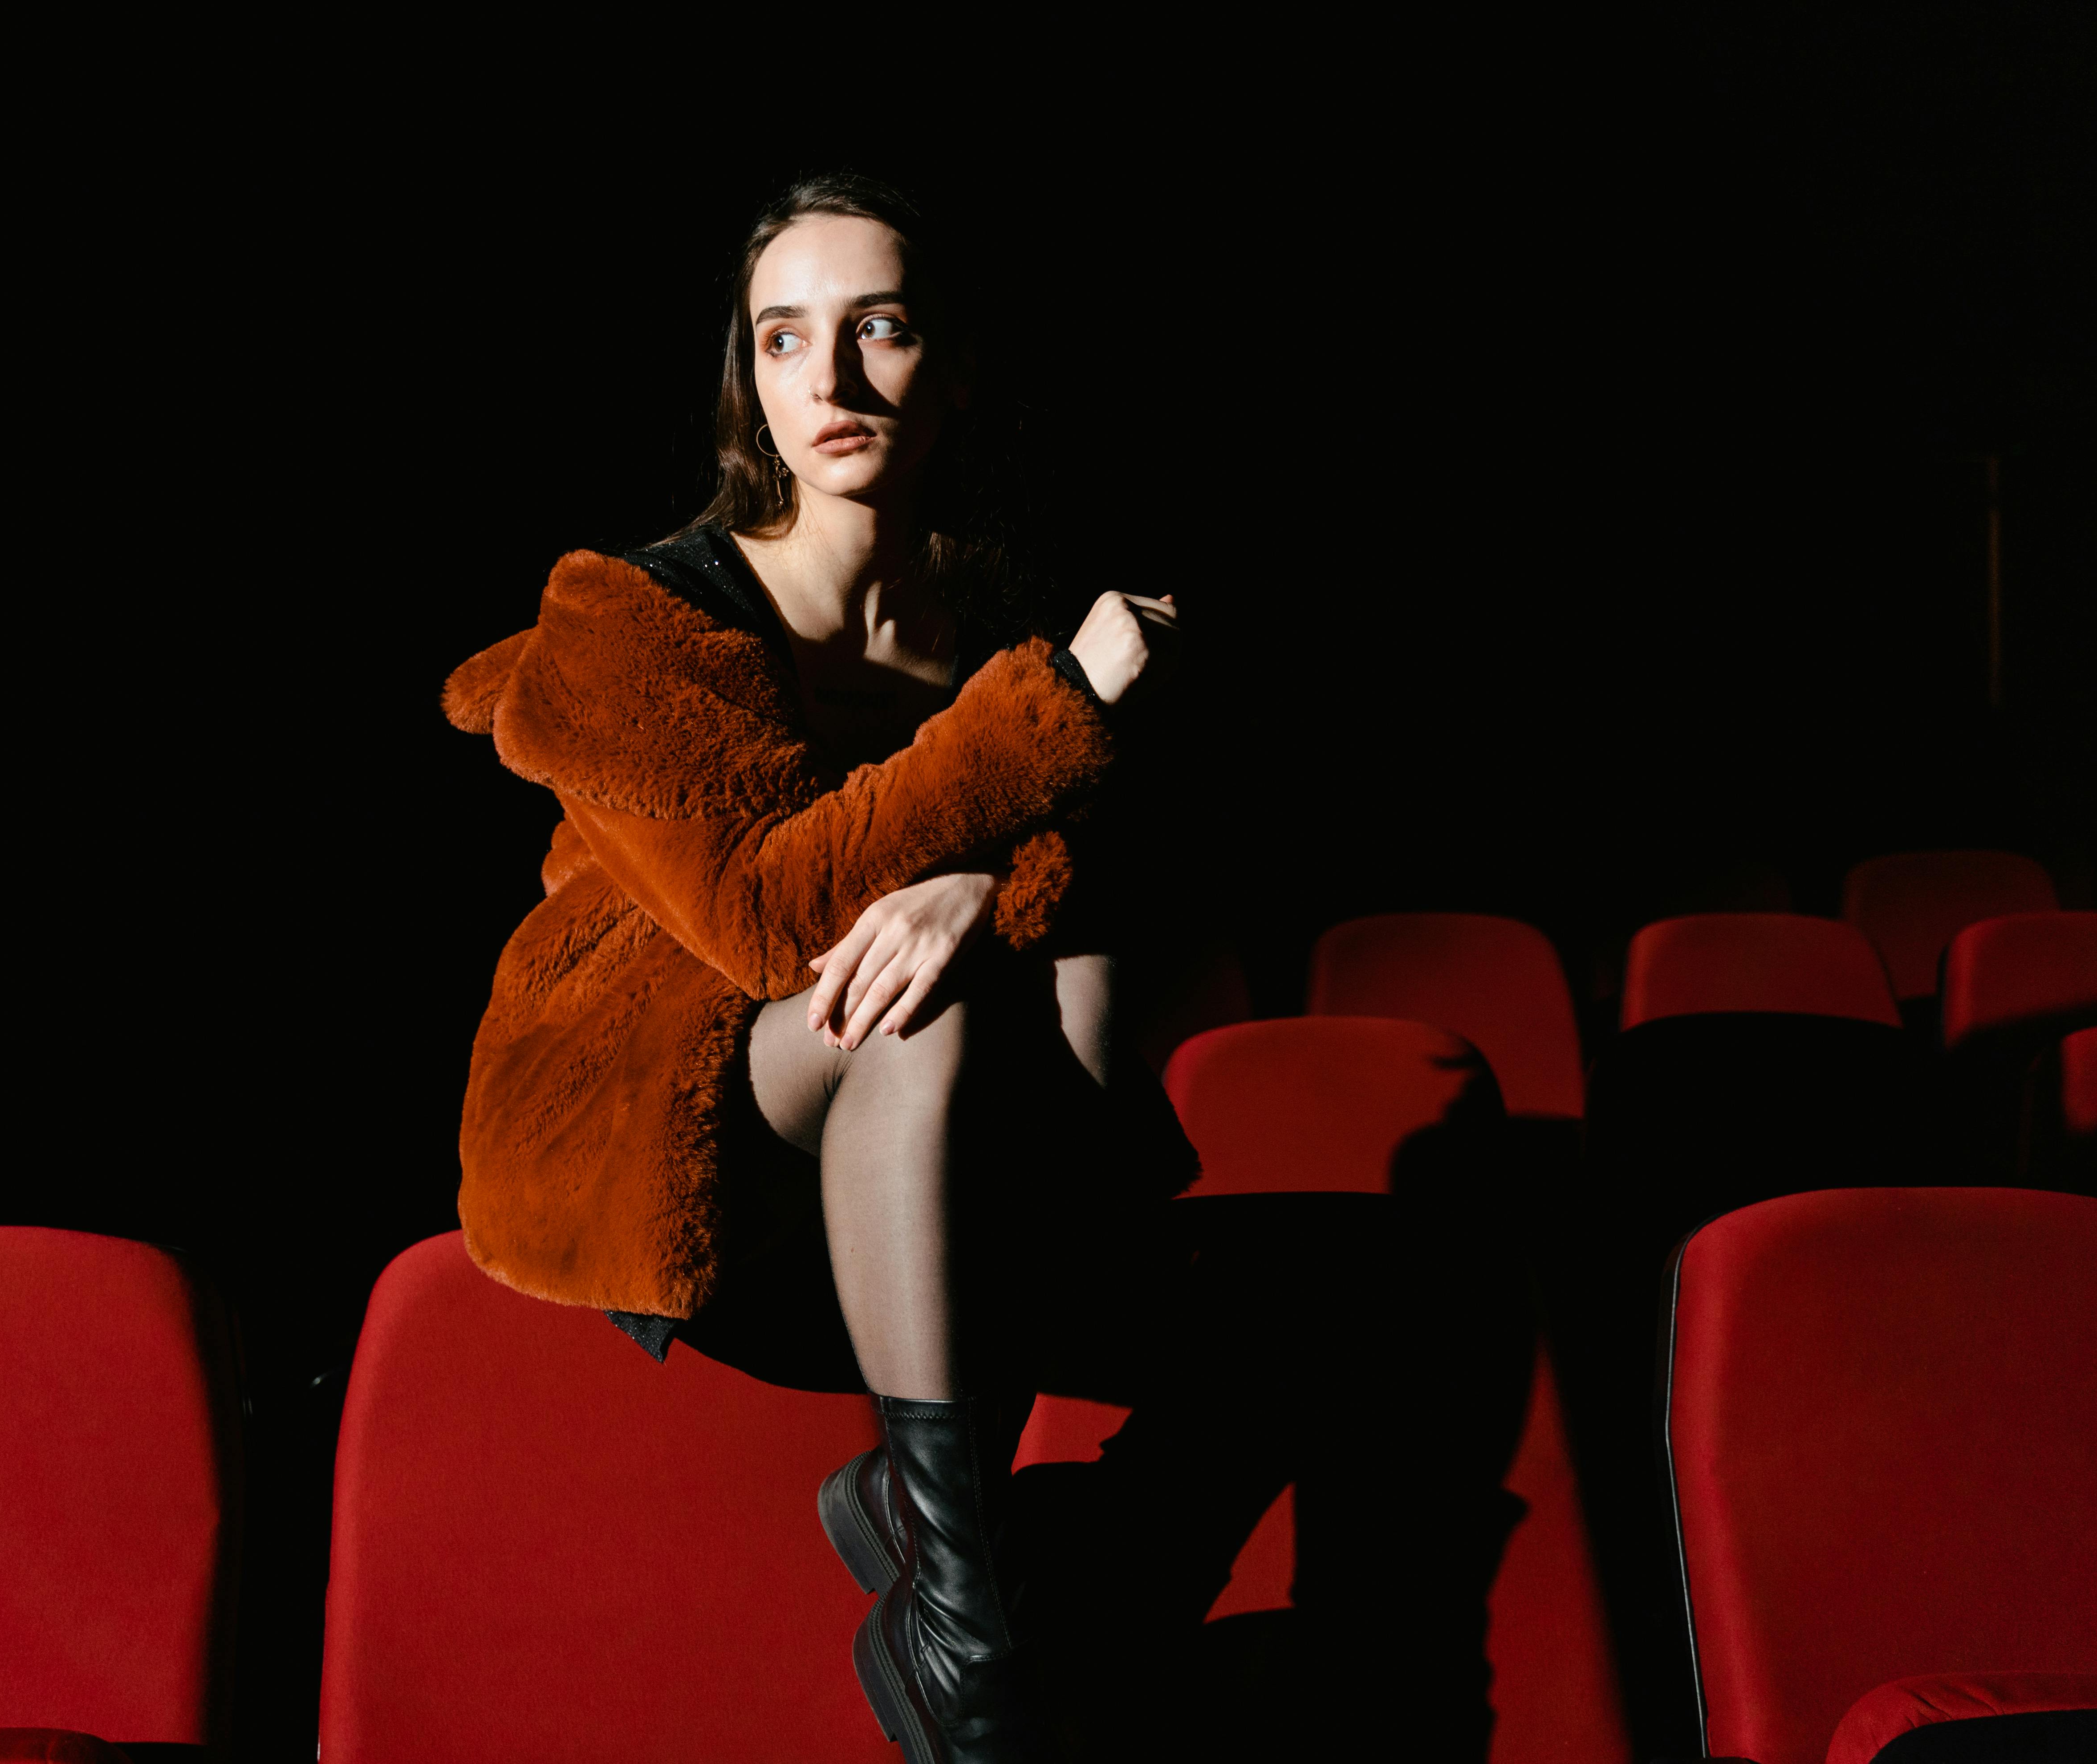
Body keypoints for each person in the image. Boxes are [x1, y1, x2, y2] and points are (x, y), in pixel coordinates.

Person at [443, 173, 1528, 1762]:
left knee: (1316, 1250)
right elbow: (768, 917)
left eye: (878, 328)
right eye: (784, 339)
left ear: (951, 368)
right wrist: (1045, 731)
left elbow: (1151, 893)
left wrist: (978, 874)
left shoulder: (996, 602)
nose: (832, 379)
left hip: (957, 1159)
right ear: (750, 381)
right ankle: (965, 1623)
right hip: (670, 1113)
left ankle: (1022, 1563)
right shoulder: (631, 615)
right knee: (923, 1012)